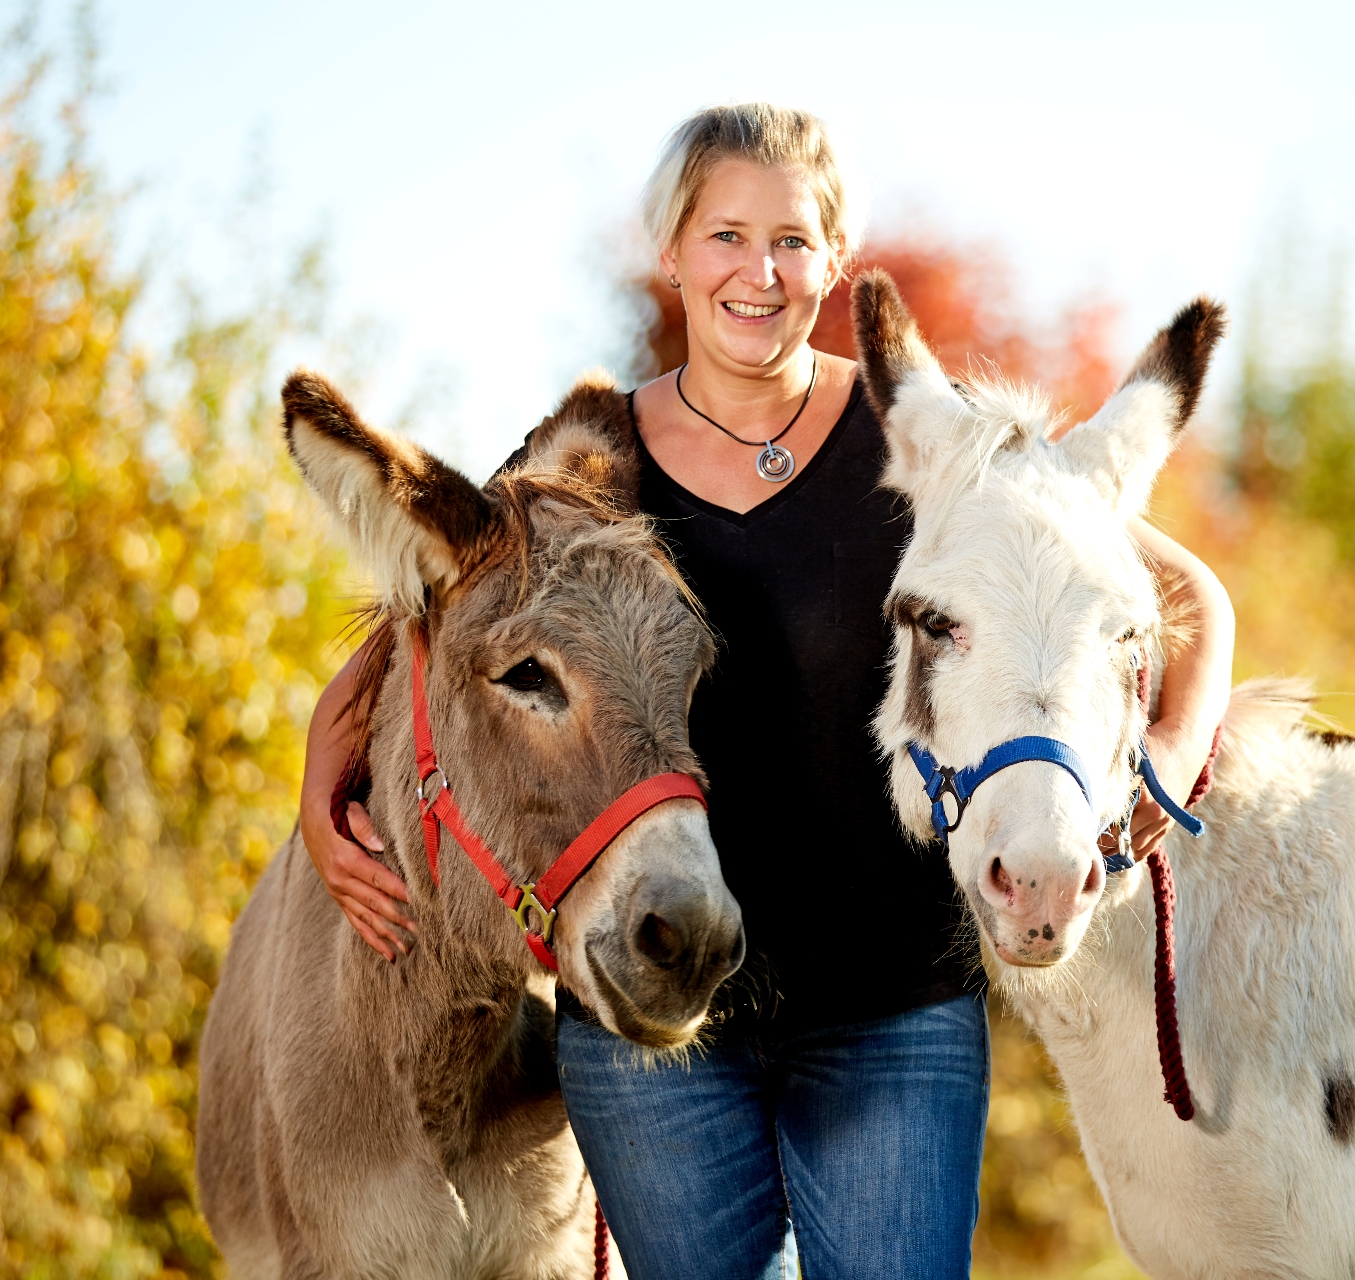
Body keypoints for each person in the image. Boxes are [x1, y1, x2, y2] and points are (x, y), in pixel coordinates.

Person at [297, 103, 1236, 1280]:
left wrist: (1171, 749)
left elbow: (1188, 589)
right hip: (658, 1030)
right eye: (726, 235)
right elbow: (445, 600)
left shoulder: (925, 442)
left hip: (893, 1006)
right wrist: (319, 779)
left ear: (833, 259)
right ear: (675, 253)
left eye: (792, 239)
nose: (760, 271)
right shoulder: (593, 453)